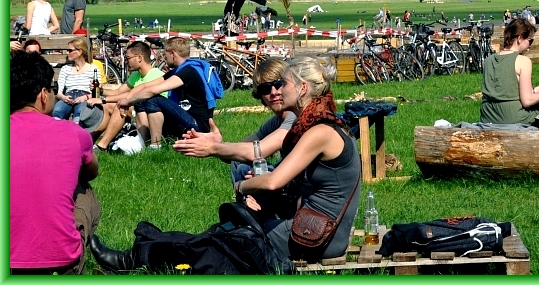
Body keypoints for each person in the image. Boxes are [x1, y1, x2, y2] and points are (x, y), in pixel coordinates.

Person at [91, 56, 360, 269]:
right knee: (225, 233)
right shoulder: (312, 125)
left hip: (316, 238)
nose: (277, 90)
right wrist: (217, 147)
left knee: (223, 242)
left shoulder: (319, 132)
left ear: (302, 89)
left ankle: (134, 258)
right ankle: (144, 249)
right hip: (313, 229)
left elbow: (274, 180)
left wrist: (242, 188)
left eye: (283, 84)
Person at [174, 59, 302, 220]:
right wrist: (217, 144)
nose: (274, 92)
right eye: (265, 88)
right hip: (293, 189)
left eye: (278, 84)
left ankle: (265, 228)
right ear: (260, 95)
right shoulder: (277, 121)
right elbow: (242, 148)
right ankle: (259, 222)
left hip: (307, 198)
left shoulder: (295, 117)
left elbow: (256, 151)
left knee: (254, 172)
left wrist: (212, 148)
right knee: (241, 166)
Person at [11, 51, 101, 274]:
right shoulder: (73, 132)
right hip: (60, 260)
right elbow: (92, 171)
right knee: (84, 188)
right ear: (43, 94)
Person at [116, 37, 213, 147]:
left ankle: (155, 146)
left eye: (165, 54)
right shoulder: (176, 72)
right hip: (184, 118)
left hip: (197, 126)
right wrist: (129, 99)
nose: (164, 58)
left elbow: (154, 90)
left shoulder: (188, 72)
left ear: (173, 54)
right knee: (141, 100)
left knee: (154, 100)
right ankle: (143, 144)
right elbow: (146, 85)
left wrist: (128, 102)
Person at [480, 18, 539, 127]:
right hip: (512, 117)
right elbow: (527, 101)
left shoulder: (488, 61)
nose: (530, 44)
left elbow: (506, 92)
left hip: (488, 116)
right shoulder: (523, 61)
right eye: (530, 40)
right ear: (520, 38)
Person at [52, 37, 100, 123]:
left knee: (80, 113)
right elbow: (58, 92)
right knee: (57, 111)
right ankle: (57, 133)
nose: (67, 53)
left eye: (70, 50)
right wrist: (63, 97)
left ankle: (76, 133)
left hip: (85, 96)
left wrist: (85, 97)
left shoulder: (93, 69)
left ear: (80, 52)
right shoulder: (65, 69)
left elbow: (97, 91)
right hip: (68, 96)